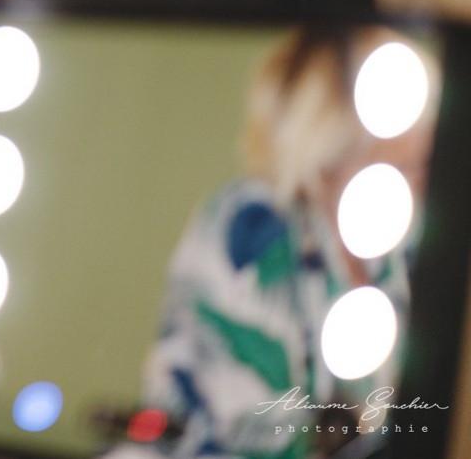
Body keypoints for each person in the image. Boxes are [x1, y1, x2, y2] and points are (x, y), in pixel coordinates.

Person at [117, 27, 438, 459]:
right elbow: (246, 430)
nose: (421, 181)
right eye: (402, 164)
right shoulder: (249, 230)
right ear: (332, 145)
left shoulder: (403, 242)